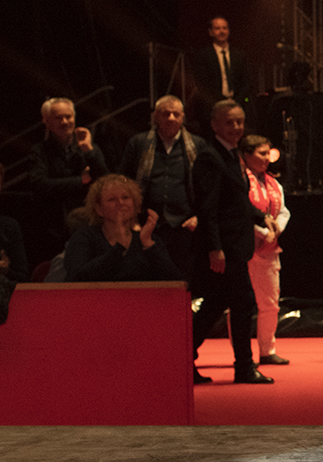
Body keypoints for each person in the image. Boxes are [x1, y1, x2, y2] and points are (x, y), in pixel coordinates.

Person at [189, 100, 269, 384]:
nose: (236, 127)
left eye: (239, 122)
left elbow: (237, 200)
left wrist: (261, 217)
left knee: (214, 304)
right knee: (242, 302)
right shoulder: (210, 158)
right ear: (214, 125)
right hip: (225, 247)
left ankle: (181, 359)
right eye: (229, 122)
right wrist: (215, 248)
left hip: (236, 244)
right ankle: (244, 367)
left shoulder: (233, 155)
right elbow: (207, 208)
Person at [123, 96, 203, 275]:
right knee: (148, 276)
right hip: (146, 225)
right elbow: (124, 182)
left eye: (176, 114)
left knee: (182, 278)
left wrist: (199, 216)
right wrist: (131, 219)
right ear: (155, 117)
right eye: (166, 114)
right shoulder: (139, 143)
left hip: (184, 226)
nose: (171, 118)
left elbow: (207, 187)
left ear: (183, 117)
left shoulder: (197, 145)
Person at [23, 98, 104, 266]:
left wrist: (88, 151)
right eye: (58, 117)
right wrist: (81, 181)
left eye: (69, 116)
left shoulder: (88, 148)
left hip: (86, 225)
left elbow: (105, 181)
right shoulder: (39, 151)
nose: (65, 122)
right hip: (52, 228)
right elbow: (39, 185)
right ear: (46, 121)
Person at [61, 174, 180, 282]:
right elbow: (77, 277)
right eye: (112, 199)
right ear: (99, 209)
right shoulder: (84, 238)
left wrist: (149, 245)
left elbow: (175, 282)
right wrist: (119, 249)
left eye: (126, 198)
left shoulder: (148, 238)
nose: (120, 203)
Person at [241, 135, 291, 364]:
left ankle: (267, 350)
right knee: (240, 302)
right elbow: (238, 213)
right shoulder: (240, 180)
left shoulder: (273, 183)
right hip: (243, 246)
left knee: (270, 302)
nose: (267, 159)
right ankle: (240, 352)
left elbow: (283, 211)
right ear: (247, 155)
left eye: (268, 153)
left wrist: (276, 229)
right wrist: (262, 232)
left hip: (269, 248)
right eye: (261, 153)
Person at [190, 15, 250, 106]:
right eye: (217, 28)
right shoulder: (203, 55)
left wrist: (236, 101)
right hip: (213, 105)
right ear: (211, 32)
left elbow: (246, 81)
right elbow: (203, 84)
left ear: (228, 31)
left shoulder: (240, 55)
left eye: (224, 28)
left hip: (238, 104)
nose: (221, 31)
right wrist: (222, 102)